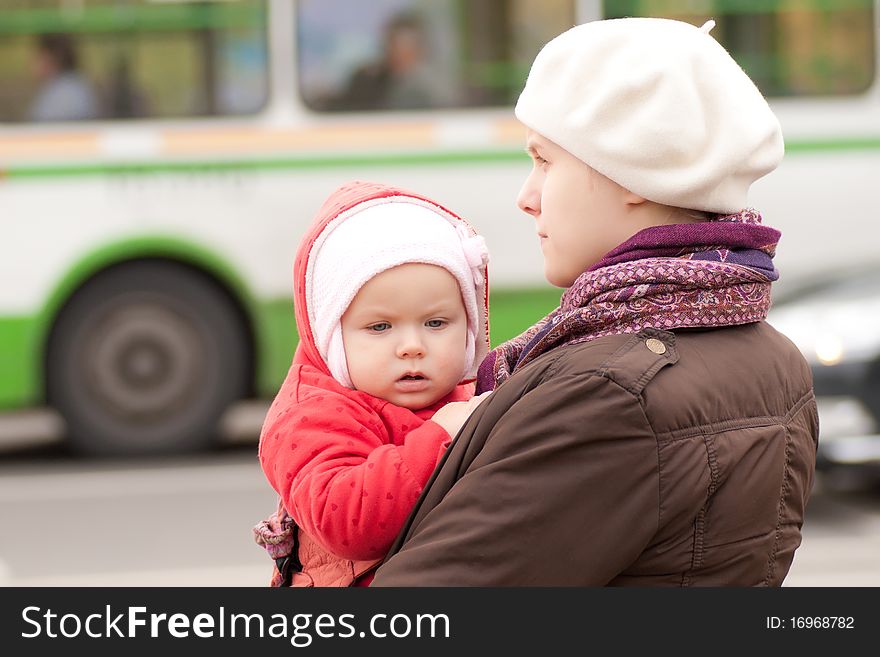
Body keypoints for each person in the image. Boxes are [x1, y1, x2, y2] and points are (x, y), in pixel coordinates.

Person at [371, 17, 818, 586]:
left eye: (544, 161)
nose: (526, 197)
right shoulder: (772, 355)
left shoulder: (611, 391)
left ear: (633, 170)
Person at [254, 180, 490, 587]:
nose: (413, 346)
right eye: (380, 327)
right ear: (330, 333)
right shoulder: (311, 415)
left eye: (436, 323)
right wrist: (439, 436)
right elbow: (345, 520)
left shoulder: (468, 397)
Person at [331, 13, 444, 110]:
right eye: (393, 44)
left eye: (406, 46)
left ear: (421, 50)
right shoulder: (366, 81)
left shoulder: (433, 88)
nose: (398, 53)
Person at [28, 33, 100, 122]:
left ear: (50, 58)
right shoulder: (56, 86)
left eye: (38, 57)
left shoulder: (69, 90)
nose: (33, 63)